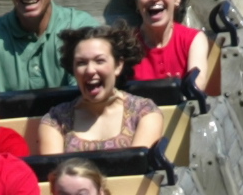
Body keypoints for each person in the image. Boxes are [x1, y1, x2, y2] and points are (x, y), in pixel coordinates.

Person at [35, 25, 165, 155]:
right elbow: (54, 166)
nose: (90, 70)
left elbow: (138, 164)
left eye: (99, 61)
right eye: (81, 63)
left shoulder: (144, 112)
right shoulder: (56, 120)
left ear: (118, 65)